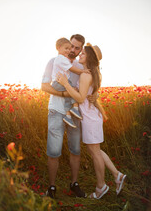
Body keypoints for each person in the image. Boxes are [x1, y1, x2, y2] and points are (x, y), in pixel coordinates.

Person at [57, 43, 127, 199]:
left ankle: (101, 187)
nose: (80, 54)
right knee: (96, 150)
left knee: (95, 153)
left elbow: (81, 98)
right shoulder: (93, 74)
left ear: (90, 57)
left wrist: (65, 83)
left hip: (89, 118)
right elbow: (88, 95)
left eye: (83, 53)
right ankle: (117, 176)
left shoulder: (85, 75)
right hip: (93, 116)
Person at [41, 34, 87, 198]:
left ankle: (74, 184)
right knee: (53, 151)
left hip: (74, 113)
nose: (73, 50)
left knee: (75, 149)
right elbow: (44, 86)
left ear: (81, 49)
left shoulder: (80, 66)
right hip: (56, 111)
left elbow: (87, 88)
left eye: (77, 48)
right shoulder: (54, 61)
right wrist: (64, 94)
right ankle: (52, 188)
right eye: (71, 46)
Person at [51, 37, 89, 128]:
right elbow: (72, 69)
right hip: (58, 83)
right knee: (73, 91)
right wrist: (82, 71)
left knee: (70, 93)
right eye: (67, 48)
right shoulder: (61, 58)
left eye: (76, 48)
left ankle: (68, 115)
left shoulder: (62, 59)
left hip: (59, 82)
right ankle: (74, 108)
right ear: (59, 48)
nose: (69, 50)